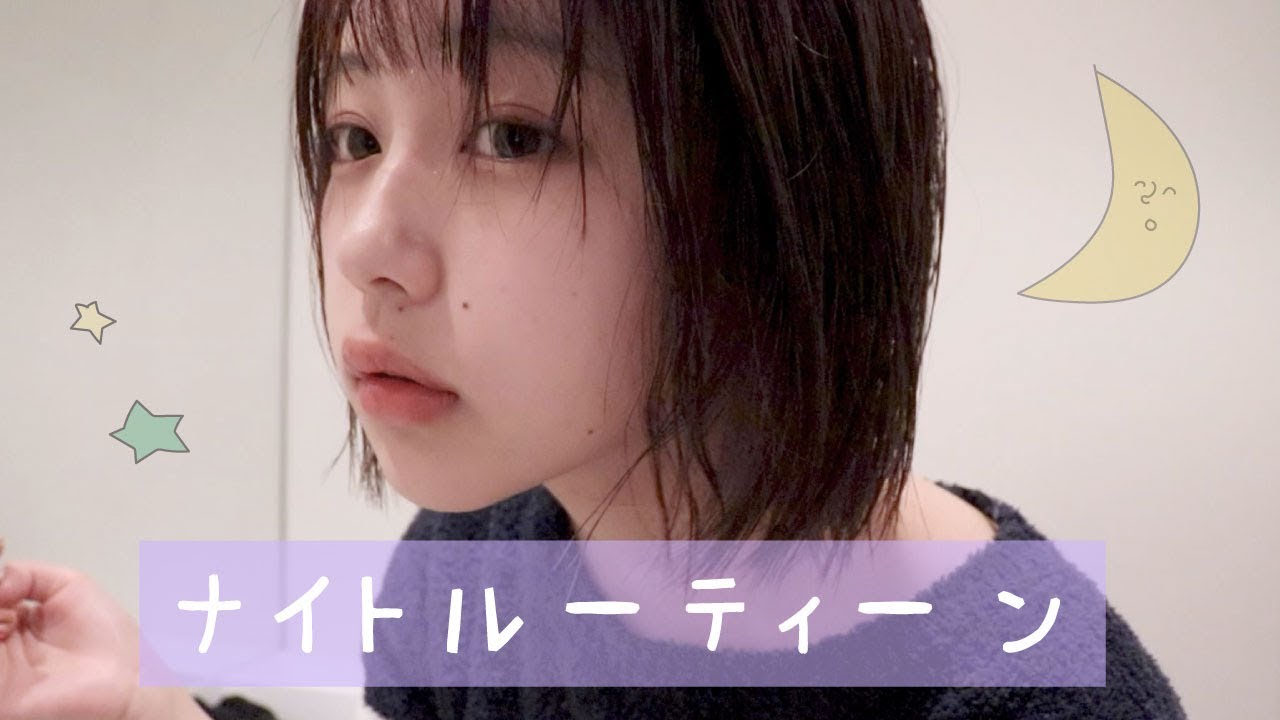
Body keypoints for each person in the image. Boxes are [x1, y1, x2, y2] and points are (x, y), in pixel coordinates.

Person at [0, 0, 1188, 718]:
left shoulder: (1037, 698)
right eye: (353, 136)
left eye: (512, 136)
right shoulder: (475, 554)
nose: (363, 245)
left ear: (777, 195)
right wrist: (146, 706)